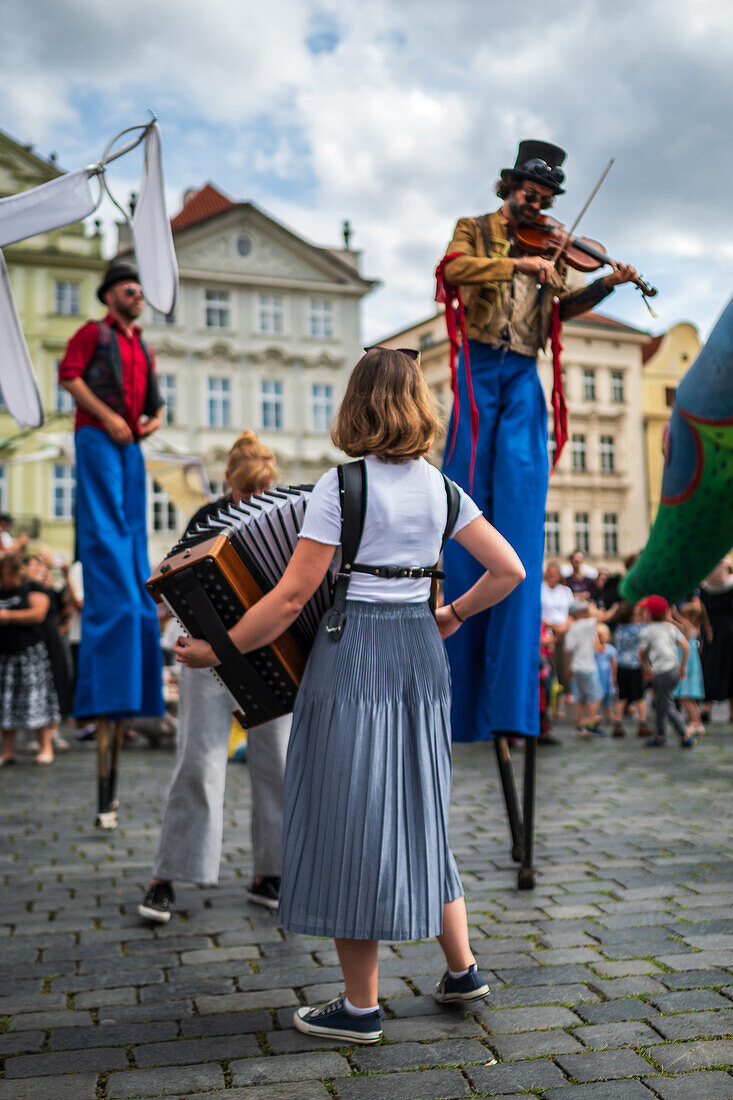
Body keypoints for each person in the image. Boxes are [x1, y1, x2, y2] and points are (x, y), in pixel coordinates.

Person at [175, 348, 525, 1044]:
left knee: (348, 811)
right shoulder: (441, 488)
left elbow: (291, 598)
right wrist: (450, 614)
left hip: (355, 648)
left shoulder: (342, 487)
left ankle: (360, 1008)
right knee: (416, 799)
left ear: (356, 405)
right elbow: (507, 568)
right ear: (418, 404)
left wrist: (216, 649)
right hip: (420, 654)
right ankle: (461, 970)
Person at [438, 139, 638, 742]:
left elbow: (562, 309)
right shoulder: (474, 229)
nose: (541, 208)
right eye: (533, 195)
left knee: (521, 508)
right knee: (469, 492)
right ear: (510, 188)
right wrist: (516, 265)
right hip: (478, 364)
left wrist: (607, 286)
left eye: (548, 199)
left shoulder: (550, 247)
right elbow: (451, 272)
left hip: (523, 369)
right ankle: (458, 685)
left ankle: (514, 704)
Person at [139, 432, 292, 922]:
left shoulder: (286, 518)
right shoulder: (206, 520)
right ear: (227, 481)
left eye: (263, 490)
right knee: (198, 762)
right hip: (204, 654)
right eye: (247, 491)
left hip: (266, 654)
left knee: (278, 764)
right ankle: (166, 874)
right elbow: (169, 584)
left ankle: (271, 871)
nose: (254, 501)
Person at [58, 261, 165, 825]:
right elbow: (69, 377)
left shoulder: (142, 346)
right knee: (103, 531)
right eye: (131, 287)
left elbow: (157, 404)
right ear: (109, 294)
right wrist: (109, 418)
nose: (139, 294)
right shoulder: (92, 333)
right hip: (98, 438)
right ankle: (119, 602)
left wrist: (145, 424)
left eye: (140, 288)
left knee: (133, 539)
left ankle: (134, 603)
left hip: (128, 445)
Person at [0, 555, 60, 766]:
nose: (5, 578)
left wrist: (7, 616)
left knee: (37, 700)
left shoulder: (32, 588)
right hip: (5, 656)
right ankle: (7, 751)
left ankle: (46, 747)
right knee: (6, 703)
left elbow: (38, 613)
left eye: (9, 574)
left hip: (29, 654)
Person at [638, 595, 693, 748]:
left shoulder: (648, 631)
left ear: (649, 613)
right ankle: (660, 735)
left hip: (661, 671)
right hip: (673, 669)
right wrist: (682, 666)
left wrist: (646, 666)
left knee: (667, 704)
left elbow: (641, 652)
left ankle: (684, 734)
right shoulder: (670, 627)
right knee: (661, 704)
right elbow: (685, 646)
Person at [699, 558, 733, 722]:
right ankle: (732, 711)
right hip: (730, 631)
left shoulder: (705, 588)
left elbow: (703, 611)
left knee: (710, 668)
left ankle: (707, 706)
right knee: (730, 669)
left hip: (712, 631)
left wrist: (705, 630)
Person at [564, 600, 604, 736]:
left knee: (579, 697)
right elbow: (602, 616)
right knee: (596, 696)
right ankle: (591, 723)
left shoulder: (572, 627)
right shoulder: (586, 624)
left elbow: (568, 650)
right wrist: (592, 608)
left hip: (576, 666)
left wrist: (568, 667)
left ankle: (580, 725)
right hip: (587, 666)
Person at [612, 602, 651, 738]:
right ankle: (642, 723)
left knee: (622, 696)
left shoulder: (619, 629)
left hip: (621, 665)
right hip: (635, 666)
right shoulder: (639, 629)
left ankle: (617, 724)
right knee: (639, 697)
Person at [673, 602, 710, 738]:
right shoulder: (693, 628)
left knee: (685, 695)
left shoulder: (690, 627)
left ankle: (695, 721)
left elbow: (677, 623)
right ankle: (696, 720)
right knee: (685, 696)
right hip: (688, 665)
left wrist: (674, 614)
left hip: (688, 666)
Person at [595, 623, 618, 728]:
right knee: (597, 696)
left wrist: (614, 676)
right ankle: (595, 714)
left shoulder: (610, 649)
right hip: (597, 676)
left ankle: (609, 714)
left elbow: (614, 663)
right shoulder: (594, 650)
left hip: (607, 676)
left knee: (608, 696)